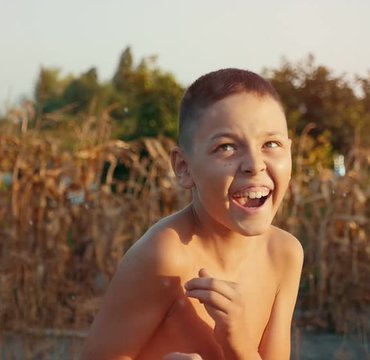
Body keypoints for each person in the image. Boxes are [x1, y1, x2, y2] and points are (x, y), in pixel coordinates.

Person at [80, 68, 303, 360]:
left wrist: (237, 342)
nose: (255, 164)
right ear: (184, 168)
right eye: (226, 147)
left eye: (270, 144)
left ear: (289, 151)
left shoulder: (284, 254)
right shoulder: (165, 257)